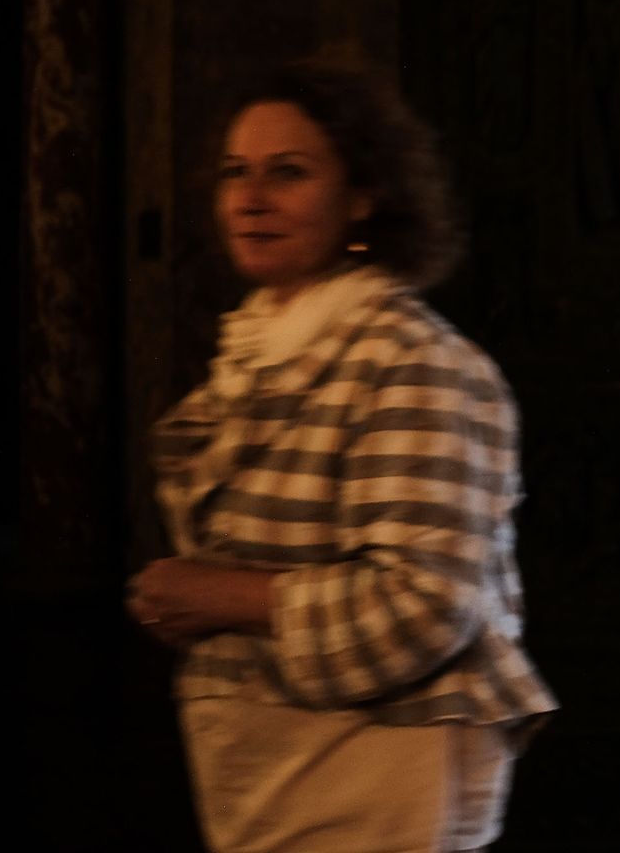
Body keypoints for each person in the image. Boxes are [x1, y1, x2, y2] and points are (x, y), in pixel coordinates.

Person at [125, 59, 558, 852]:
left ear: (362, 195)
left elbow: (425, 601)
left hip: (379, 767)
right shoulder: (260, 354)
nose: (251, 200)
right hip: (273, 766)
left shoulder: (412, 361)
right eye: (235, 174)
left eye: (287, 174)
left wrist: (223, 597)